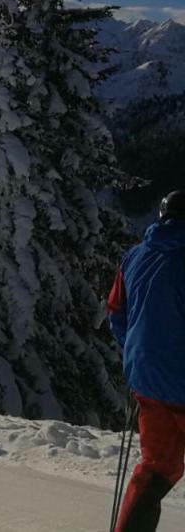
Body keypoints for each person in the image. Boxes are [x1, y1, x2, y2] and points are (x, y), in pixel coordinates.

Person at [107, 190, 185, 531]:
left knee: (156, 468)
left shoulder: (134, 257)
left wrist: (138, 355)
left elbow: (116, 313)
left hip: (148, 380)